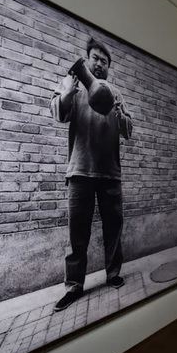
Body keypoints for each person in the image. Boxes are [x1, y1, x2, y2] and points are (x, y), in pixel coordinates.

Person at [50, 37, 134, 312]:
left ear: (109, 67)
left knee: (113, 228)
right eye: (95, 59)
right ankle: (74, 285)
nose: (99, 64)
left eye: (104, 61)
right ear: (87, 61)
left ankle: (113, 273)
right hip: (80, 172)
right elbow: (58, 114)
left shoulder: (115, 92)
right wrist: (67, 93)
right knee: (78, 233)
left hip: (110, 173)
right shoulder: (71, 86)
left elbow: (128, 130)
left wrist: (122, 115)